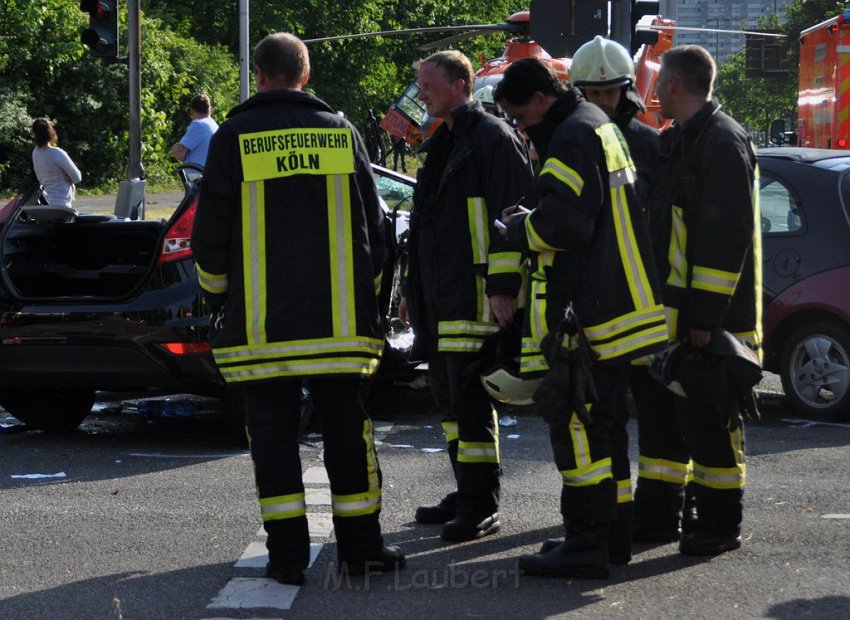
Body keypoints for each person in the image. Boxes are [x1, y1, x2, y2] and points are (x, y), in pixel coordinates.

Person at [192, 32, 404, 584]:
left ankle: (287, 559)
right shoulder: (340, 132)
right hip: (339, 329)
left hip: (262, 330)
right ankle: (361, 550)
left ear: (259, 75)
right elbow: (376, 231)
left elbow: (210, 234)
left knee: (273, 440)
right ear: (304, 76)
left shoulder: (233, 136)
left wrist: (217, 299)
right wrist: (370, 299)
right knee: (348, 437)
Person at [493, 58, 667, 578]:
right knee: (606, 429)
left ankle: (586, 545)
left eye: (520, 117)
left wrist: (522, 228)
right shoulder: (596, 123)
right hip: (619, 306)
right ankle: (610, 537)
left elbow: (567, 225)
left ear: (542, 99)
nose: (521, 128)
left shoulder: (569, 136)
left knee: (578, 429)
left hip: (590, 315)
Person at [398, 50, 534, 542]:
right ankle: (466, 490)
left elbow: (513, 219)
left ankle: (480, 506)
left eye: (429, 85)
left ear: (459, 85)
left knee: (472, 403)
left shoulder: (492, 139)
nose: (423, 94)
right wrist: (414, 291)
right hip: (441, 297)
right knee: (451, 403)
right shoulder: (446, 142)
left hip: (476, 301)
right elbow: (429, 227)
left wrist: (503, 288)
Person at [639, 45, 761, 556]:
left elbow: (722, 240)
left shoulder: (721, 141)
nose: (653, 94)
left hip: (714, 323)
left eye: (658, 84)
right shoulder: (684, 141)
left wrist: (705, 320)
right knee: (669, 427)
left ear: (673, 85)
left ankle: (718, 525)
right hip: (679, 319)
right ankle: (662, 519)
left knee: (714, 431)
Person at [568, 35, 665, 555]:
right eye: (595, 93)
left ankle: (641, 522)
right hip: (606, 304)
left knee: (641, 418)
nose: (603, 101)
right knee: (607, 423)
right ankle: (618, 528)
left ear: (626, 89)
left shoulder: (647, 144)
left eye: (611, 93)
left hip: (638, 305)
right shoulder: (581, 137)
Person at [30, 117, 82, 207]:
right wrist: (68, 176)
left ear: (34, 134)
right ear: (50, 132)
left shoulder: (35, 153)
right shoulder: (57, 153)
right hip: (61, 204)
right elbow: (77, 177)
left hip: (44, 202)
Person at [171, 94, 219, 167]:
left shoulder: (198, 124)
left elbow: (180, 155)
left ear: (193, 111)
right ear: (209, 109)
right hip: (210, 173)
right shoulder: (215, 125)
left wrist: (174, 148)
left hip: (196, 175)